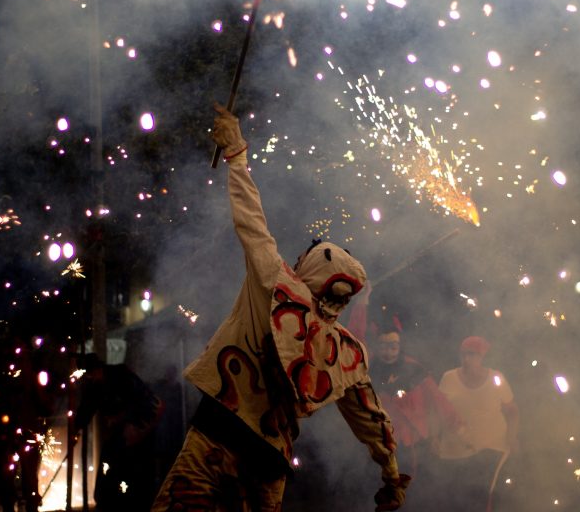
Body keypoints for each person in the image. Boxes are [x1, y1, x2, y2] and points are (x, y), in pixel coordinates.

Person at [151, 104, 410, 511]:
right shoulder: (349, 352)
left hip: (214, 439)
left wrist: (236, 153)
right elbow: (373, 421)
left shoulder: (275, 282)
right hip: (269, 464)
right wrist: (391, 474)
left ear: (308, 266)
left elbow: (250, 220)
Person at [347, 282, 458, 481]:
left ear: (399, 347)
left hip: (418, 447)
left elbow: (437, 399)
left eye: (393, 347)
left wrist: (455, 424)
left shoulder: (413, 368)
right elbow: (354, 339)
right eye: (383, 346)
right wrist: (362, 302)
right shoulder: (368, 368)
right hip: (382, 447)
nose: (388, 352)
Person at [434, 336, 519, 512]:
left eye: (472, 355)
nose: (466, 359)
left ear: (481, 357)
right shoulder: (449, 378)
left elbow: (512, 410)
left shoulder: (496, 378)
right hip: (456, 447)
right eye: (463, 354)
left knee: (480, 496)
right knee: (457, 497)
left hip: (491, 444)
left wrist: (512, 436)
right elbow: (438, 411)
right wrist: (434, 437)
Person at [73, 354, 164, 512]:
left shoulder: (122, 375)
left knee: (137, 476)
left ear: (98, 369)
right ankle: (108, 504)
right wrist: (76, 427)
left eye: (90, 374)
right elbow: (87, 408)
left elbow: (142, 400)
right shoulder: (94, 385)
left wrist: (122, 417)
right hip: (120, 435)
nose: (90, 378)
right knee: (109, 470)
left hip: (140, 430)